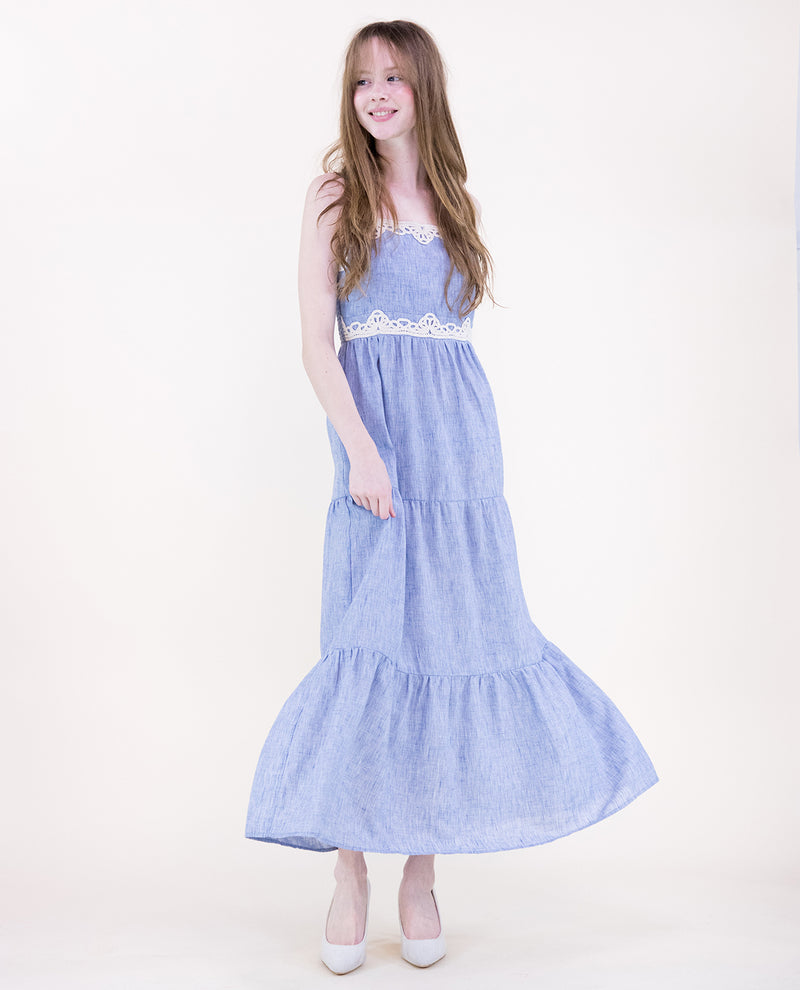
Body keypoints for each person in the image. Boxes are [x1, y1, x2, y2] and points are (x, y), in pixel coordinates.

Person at [245, 19, 659, 975]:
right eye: (362, 80)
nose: (377, 94)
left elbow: (455, 341)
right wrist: (361, 451)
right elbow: (316, 342)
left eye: (394, 77)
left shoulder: (455, 199)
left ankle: (422, 873)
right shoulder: (333, 197)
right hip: (377, 449)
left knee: (452, 643)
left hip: (462, 457)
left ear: (423, 87)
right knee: (366, 644)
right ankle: (350, 868)